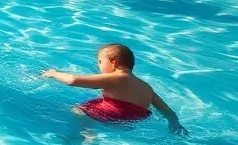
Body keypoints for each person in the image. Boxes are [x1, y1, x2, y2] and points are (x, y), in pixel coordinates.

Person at [43, 44, 185, 134]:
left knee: (78, 109)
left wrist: (54, 73)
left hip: (115, 113)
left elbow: (72, 80)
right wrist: (175, 125)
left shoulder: (116, 77)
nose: (99, 65)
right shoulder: (146, 87)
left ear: (114, 62)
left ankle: (88, 134)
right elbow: (167, 111)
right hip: (135, 118)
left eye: (100, 62)